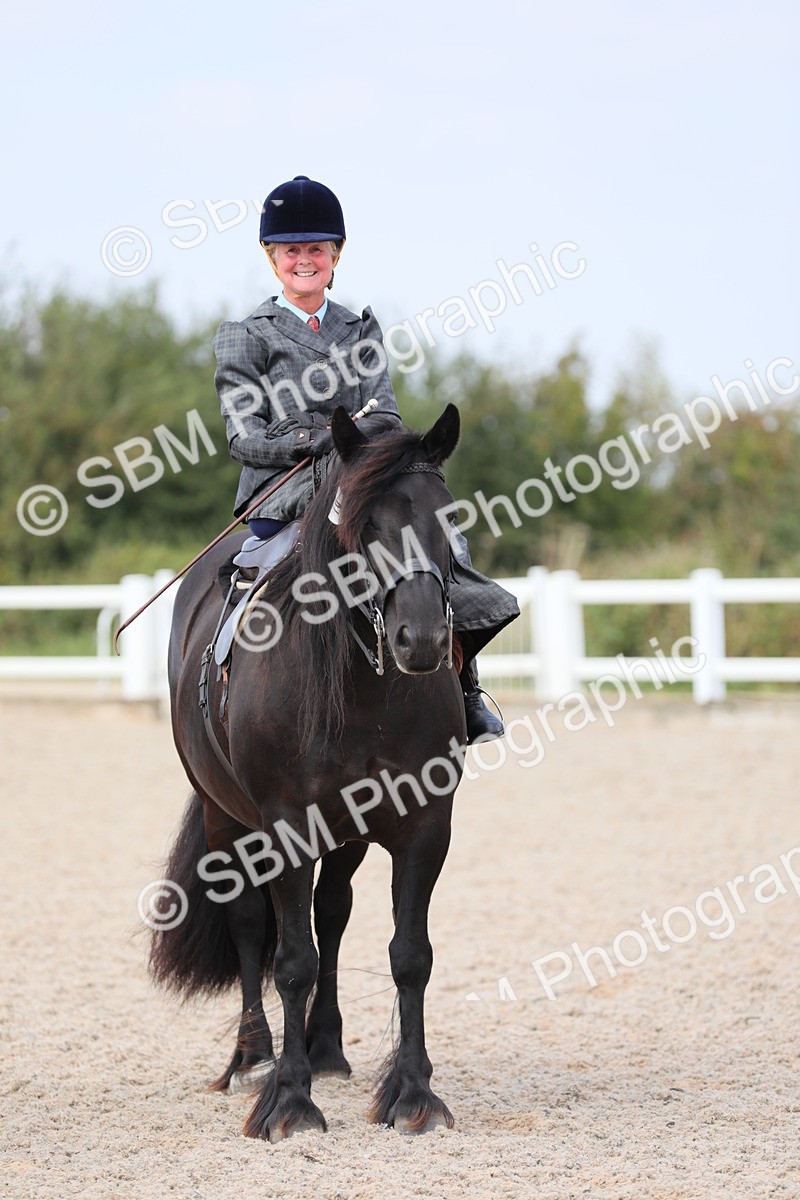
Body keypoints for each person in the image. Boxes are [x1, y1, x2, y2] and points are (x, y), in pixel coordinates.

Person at [213, 175, 519, 742]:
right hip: (281, 491)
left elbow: (387, 418)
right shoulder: (244, 336)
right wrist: (317, 439)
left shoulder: (359, 329)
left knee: (443, 540)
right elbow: (244, 438)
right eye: (291, 251)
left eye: (316, 250)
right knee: (268, 572)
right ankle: (228, 683)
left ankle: (467, 689)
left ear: (335, 255)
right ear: (271, 256)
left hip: (358, 478)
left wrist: (358, 440)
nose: (304, 261)